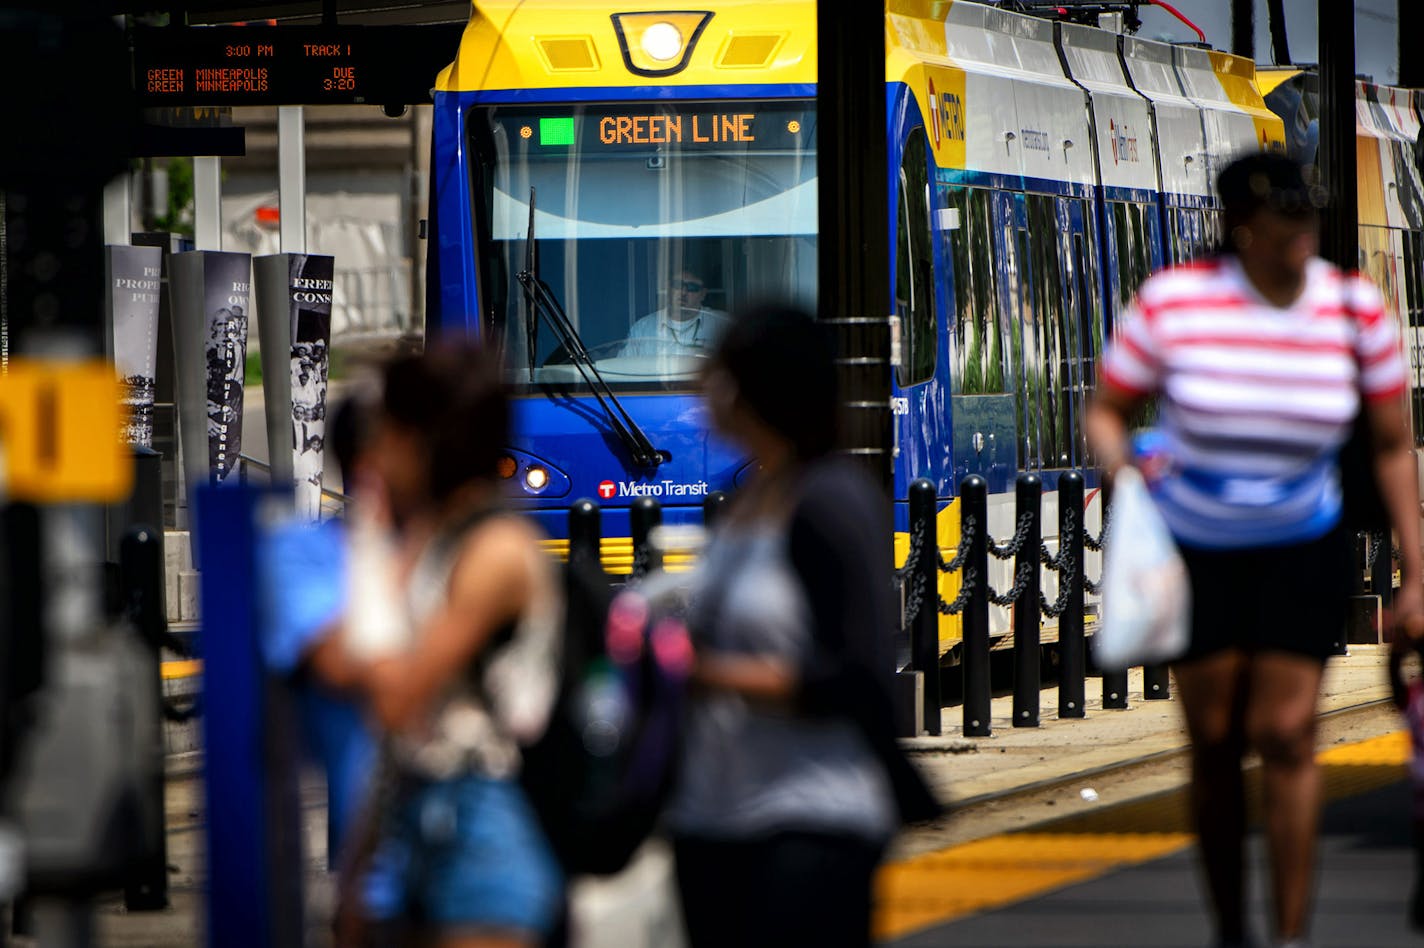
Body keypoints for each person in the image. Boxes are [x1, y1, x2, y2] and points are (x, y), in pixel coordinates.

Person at [1085, 151, 1424, 948]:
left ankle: (1290, 934)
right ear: (1241, 227)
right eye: (1284, 222)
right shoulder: (1176, 304)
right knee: (1212, 741)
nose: (1301, 236)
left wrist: (1418, 572)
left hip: (1302, 544)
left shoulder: (1353, 312)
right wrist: (1124, 468)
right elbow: (1108, 406)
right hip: (1194, 548)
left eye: (1309, 219)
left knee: (1285, 733)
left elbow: (1389, 446)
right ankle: (1231, 928)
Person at [667, 303, 938, 948]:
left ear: (751, 388)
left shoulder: (832, 499)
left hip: (812, 823)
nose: (699, 388)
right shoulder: (751, 497)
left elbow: (859, 671)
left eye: (713, 372)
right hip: (715, 818)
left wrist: (703, 672)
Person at [352, 344, 564, 947]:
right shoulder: (435, 538)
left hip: (485, 831)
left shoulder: (495, 552)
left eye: (387, 431)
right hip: (422, 813)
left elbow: (395, 694)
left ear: (428, 439)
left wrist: (369, 537)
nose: (374, 450)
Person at [621, 269, 729, 357]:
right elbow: (623, 370)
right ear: (668, 288)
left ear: (703, 294)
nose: (683, 292)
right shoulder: (643, 328)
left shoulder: (722, 324)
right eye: (677, 285)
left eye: (692, 287)